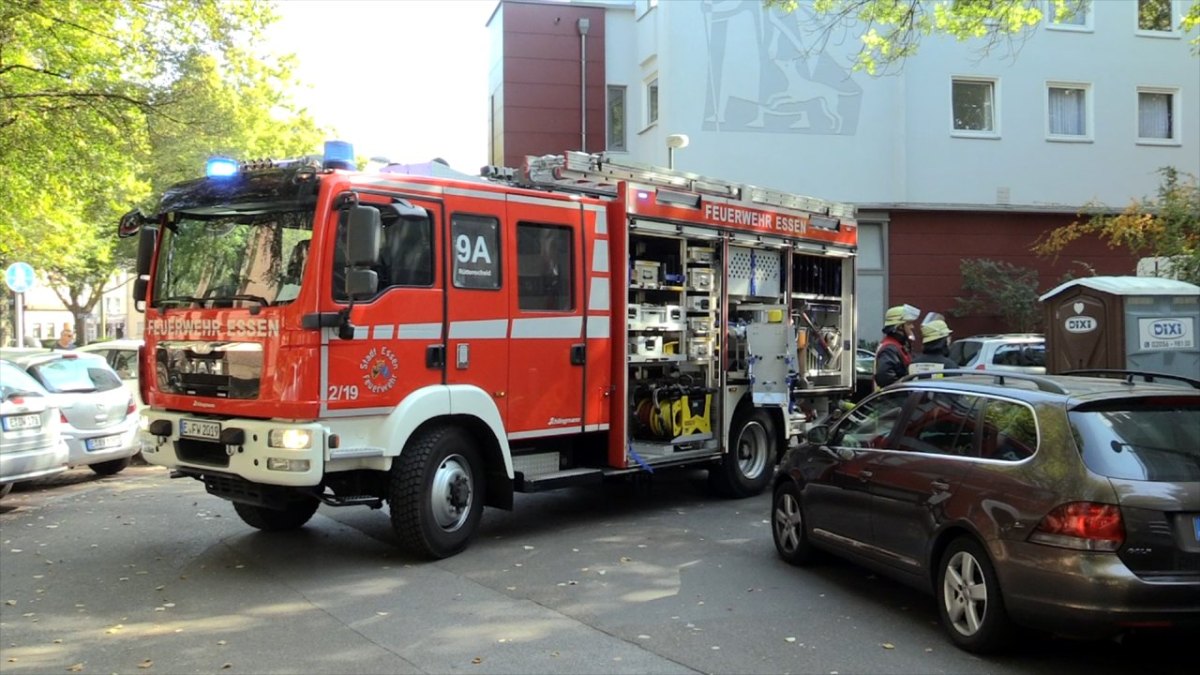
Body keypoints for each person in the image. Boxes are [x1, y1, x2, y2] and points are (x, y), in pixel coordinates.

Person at [874, 304, 919, 389]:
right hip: (892, 401)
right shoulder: (890, 349)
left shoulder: (896, 346)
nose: (912, 327)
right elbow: (885, 377)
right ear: (899, 327)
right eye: (909, 323)